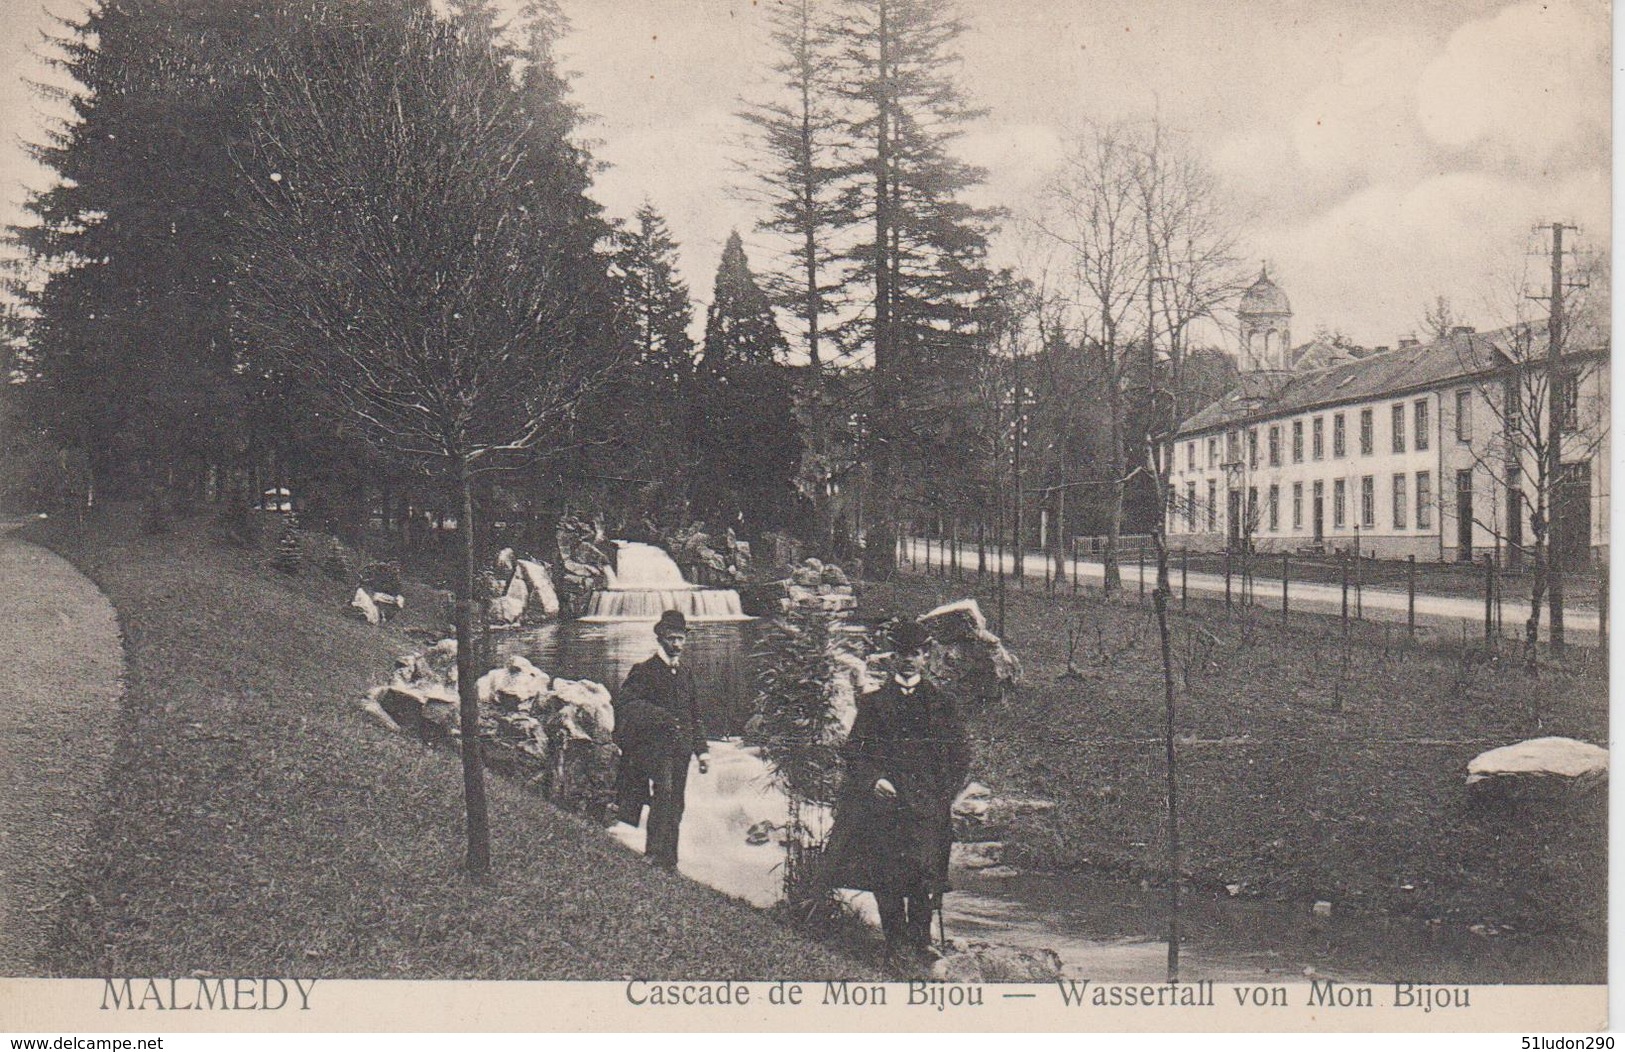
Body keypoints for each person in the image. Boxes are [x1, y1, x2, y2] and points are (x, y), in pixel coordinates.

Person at [822, 619, 971, 959]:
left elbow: (959, 755)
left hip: (926, 804)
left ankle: (921, 942)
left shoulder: (942, 703)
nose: (908, 660)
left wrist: (942, 793)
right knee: (886, 874)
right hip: (885, 804)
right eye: (902, 654)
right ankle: (894, 941)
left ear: (925, 657)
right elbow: (854, 752)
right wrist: (874, 779)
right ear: (892, 658)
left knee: (924, 872)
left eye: (915, 654)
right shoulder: (874, 704)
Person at [612, 609, 710, 868]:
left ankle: (670, 860)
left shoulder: (686, 673)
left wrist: (702, 751)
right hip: (655, 748)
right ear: (660, 639)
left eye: (680, 638)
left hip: (682, 749)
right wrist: (660, 716)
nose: (676, 644)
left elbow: (694, 713)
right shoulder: (644, 670)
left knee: (676, 801)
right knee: (663, 795)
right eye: (671, 639)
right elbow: (627, 704)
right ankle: (653, 852)